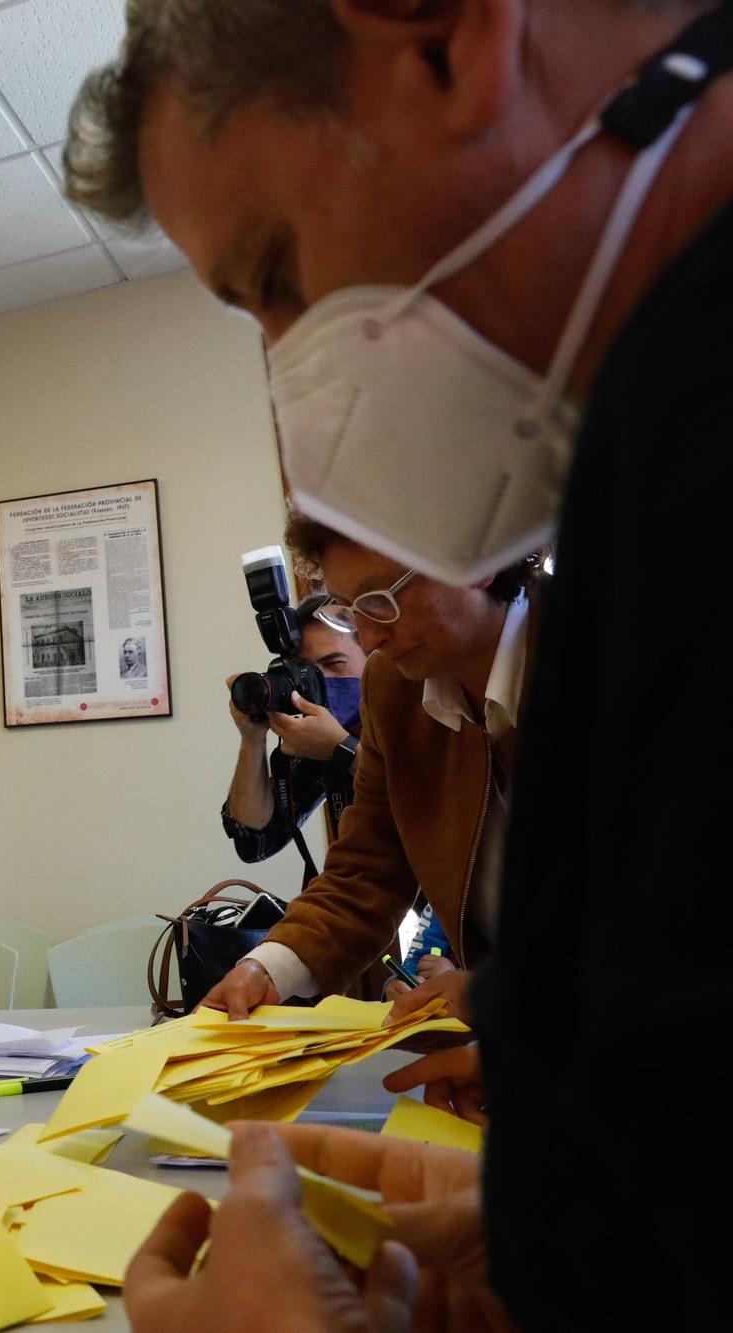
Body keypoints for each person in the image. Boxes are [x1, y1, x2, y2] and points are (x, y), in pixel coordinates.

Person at [66, 0, 729, 1326]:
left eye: (273, 276)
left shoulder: (692, 415)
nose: (292, 385)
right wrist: (554, 1235)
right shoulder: (645, 444)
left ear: (436, 36)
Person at [203, 516, 537, 1023]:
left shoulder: (614, 648)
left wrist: (506, 1002)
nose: (370, 636)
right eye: (350, 609)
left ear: (474, 562)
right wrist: (266, 970)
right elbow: (368, 866)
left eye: (382, 597)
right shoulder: (394, 687)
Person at [221, 594, 367, 877]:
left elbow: (429, 811)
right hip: (358, 899)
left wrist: (342, 750)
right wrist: (252, 739)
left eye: (335, 664)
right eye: (309, 672)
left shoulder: (418, 716)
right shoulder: (315, 739)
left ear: (376, 660)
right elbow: (254, 843)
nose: (320, 683)